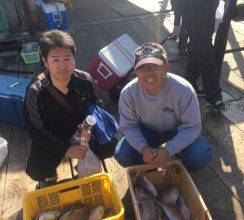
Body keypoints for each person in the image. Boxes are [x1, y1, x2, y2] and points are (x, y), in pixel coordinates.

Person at [24, 30, 118, 187]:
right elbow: (34, 130)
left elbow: (96, 108)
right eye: (55, 60)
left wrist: (89, 131)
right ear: (45, 62)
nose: (62, 65)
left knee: (112, 145)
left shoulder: (84, 80)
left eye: (67, 58)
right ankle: (50, 176)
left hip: (81, 133)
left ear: (74, 59)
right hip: (53, 137)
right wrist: (65, 149)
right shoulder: (35, 90)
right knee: (37, 169)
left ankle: (83, 165)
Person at [114, 43, 212, 171]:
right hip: (146, 130)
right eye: (142, 68)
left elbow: (192, 127)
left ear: (165, 66)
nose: (148, 72)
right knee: (123, 155)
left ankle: (177, 160)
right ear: (135, 71)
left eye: (153, 66)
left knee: (200, 156)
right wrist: (143, 149)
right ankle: (150, 161)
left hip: (177, 129)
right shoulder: (128, 93)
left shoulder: (184, 90)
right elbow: (129, 126)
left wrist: (168, 150)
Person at [180, 0, 225, 111]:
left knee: (196, 51)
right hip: (195, 21)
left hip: (207, 20)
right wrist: (177, 23)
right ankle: (214, 96)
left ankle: (189, 82)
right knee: (207, 59)